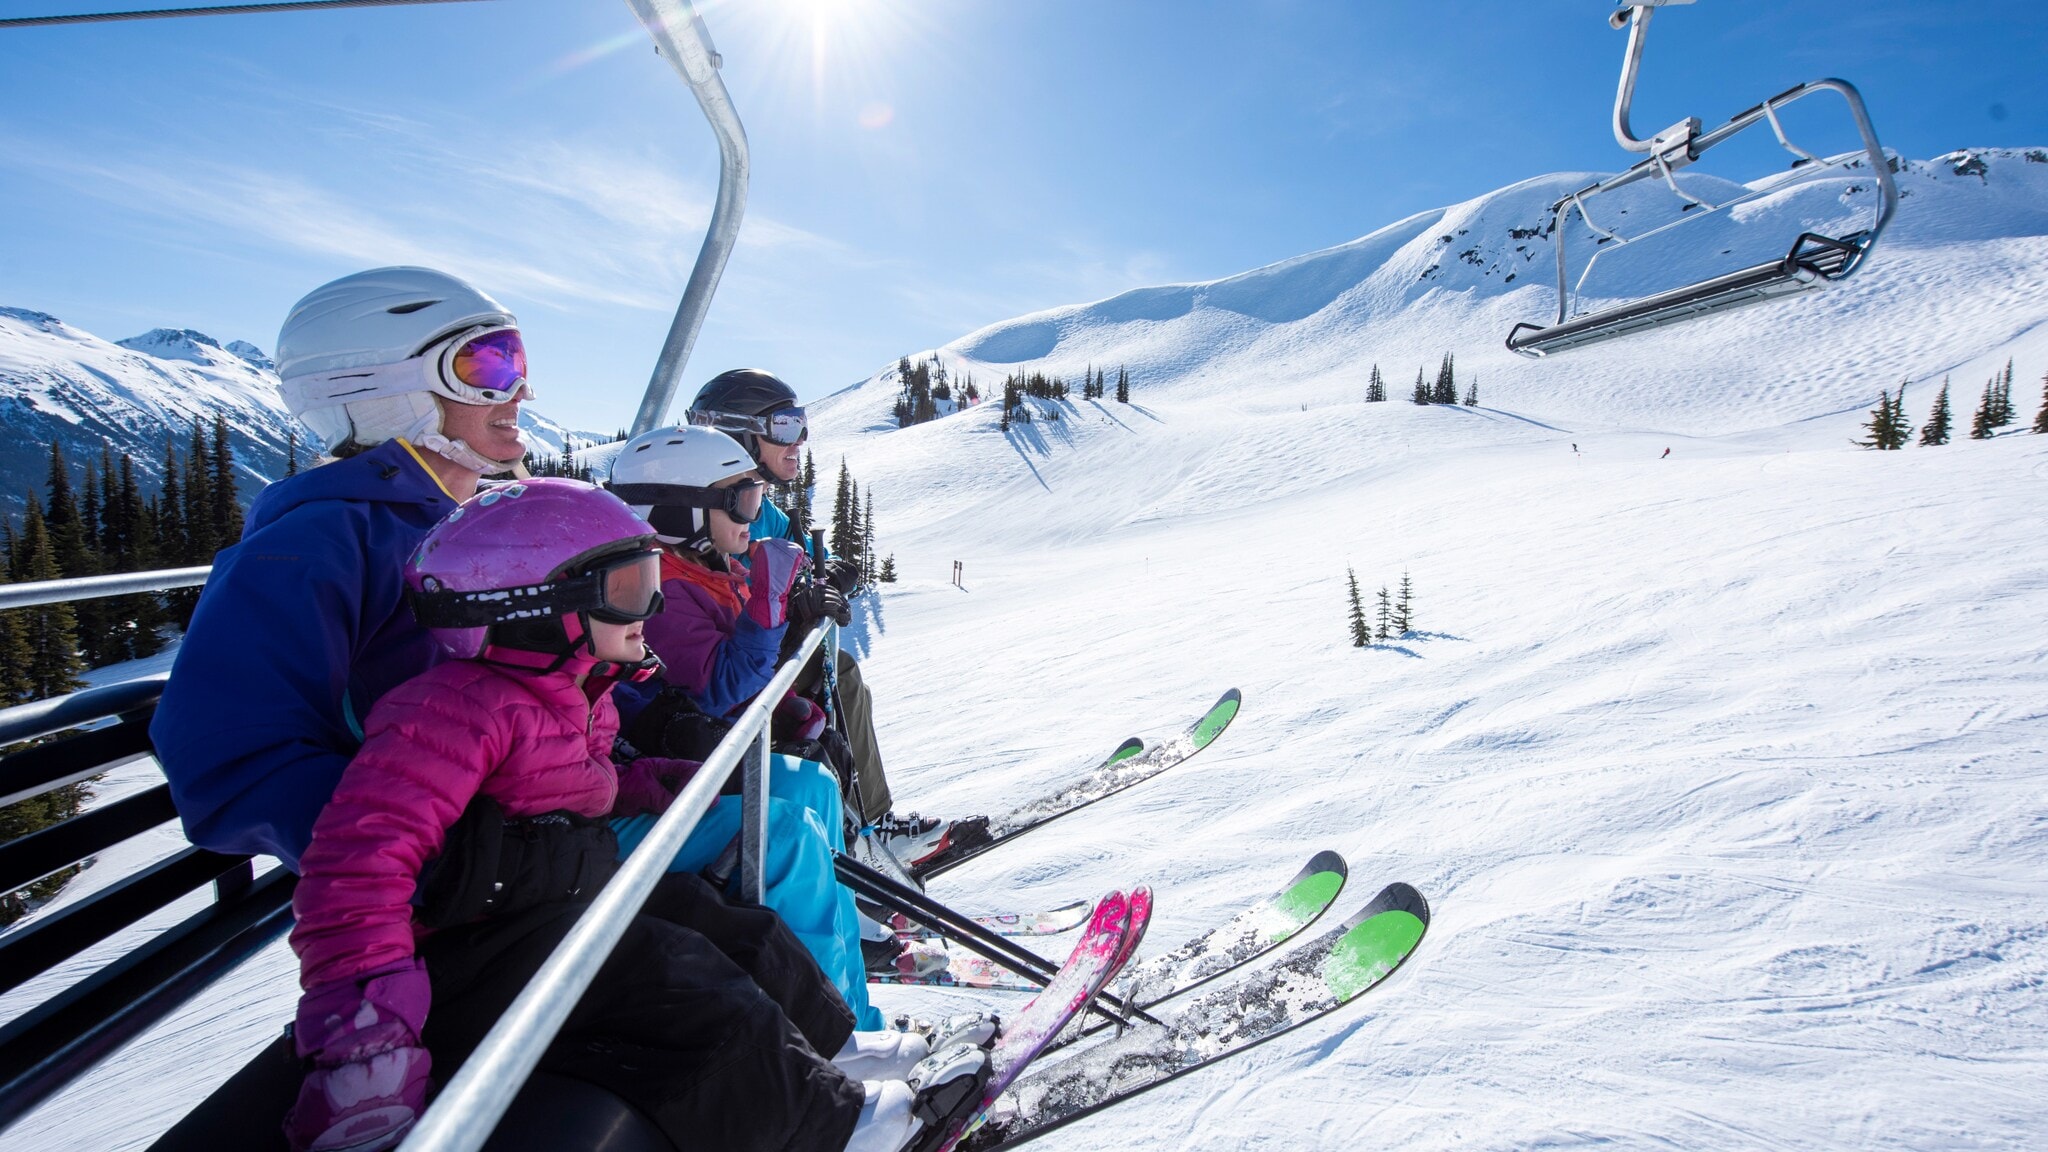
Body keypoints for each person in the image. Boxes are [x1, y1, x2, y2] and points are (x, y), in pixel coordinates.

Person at [283, 478, 990, 1152]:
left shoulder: (571, 693)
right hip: (464, 959)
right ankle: (828, 1131)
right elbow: (355, 870)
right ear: (536, 607)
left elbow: (580, 787)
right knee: (672, 969)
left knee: (722, 922)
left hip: (542, 913)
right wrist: (365, 1041)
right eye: (629, 592)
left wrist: (653, 783)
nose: (650, 610)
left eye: (651, 585)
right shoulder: (449, 711)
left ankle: (836, 1049)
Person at [153, 266, 532, 870]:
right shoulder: (316, 544)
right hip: (456, 875)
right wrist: (455, 860)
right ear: (383, 388)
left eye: (516, 362)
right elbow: (231, 766)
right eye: (486, 366)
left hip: (537, 819)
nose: (520, 392)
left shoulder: (469, 525)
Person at [605, 423, 889, 1028]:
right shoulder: (665, 591)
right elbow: (723, 682)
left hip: (712, 744)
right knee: (785, 822)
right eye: (742, 501)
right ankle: (836, 1031)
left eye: (757, 498)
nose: (753, 518)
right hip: (683, 753)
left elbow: (748, 670)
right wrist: (771, 601)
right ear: (681, 511)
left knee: (816, 787)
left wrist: (789, 628)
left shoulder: (709, 568)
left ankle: (856, 1006)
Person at [686, 370, 991, 870]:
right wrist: (799, 601)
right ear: (735, 432)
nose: (799, 442)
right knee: (841, 676)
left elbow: (795, 559)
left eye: (801, 425)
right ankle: (869, 824)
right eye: (783, 427)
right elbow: (722, 587)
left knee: (837, 676)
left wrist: (823, 580)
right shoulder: (709, 500)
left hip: (744, 649)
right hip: (719, 661)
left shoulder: (761, 505)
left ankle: (858, 823)